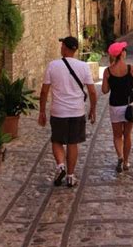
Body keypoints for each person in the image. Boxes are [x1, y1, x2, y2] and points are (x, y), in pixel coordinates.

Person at [38, 36, 97, 188]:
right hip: (77, 111)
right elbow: (92, 91)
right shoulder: (83, 67)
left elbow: (44, 91)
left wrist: (42, 112)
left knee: (57, 140)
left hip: (58, 111)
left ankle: (60, 165)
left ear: (64, 48)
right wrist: (93, 109)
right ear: (75, 50)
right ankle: (70, 176)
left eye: (62, 45)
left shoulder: (53, 65)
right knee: (72, 143)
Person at [101, 41, 133, 173]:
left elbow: (105, 90)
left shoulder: (108, 71)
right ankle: (126, 162)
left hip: (115, 106)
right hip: (130, 104)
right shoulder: (131, 69)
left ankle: (120, 156)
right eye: (125, 50)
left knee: (117, 135)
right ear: (122, 53)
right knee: (127, 135)